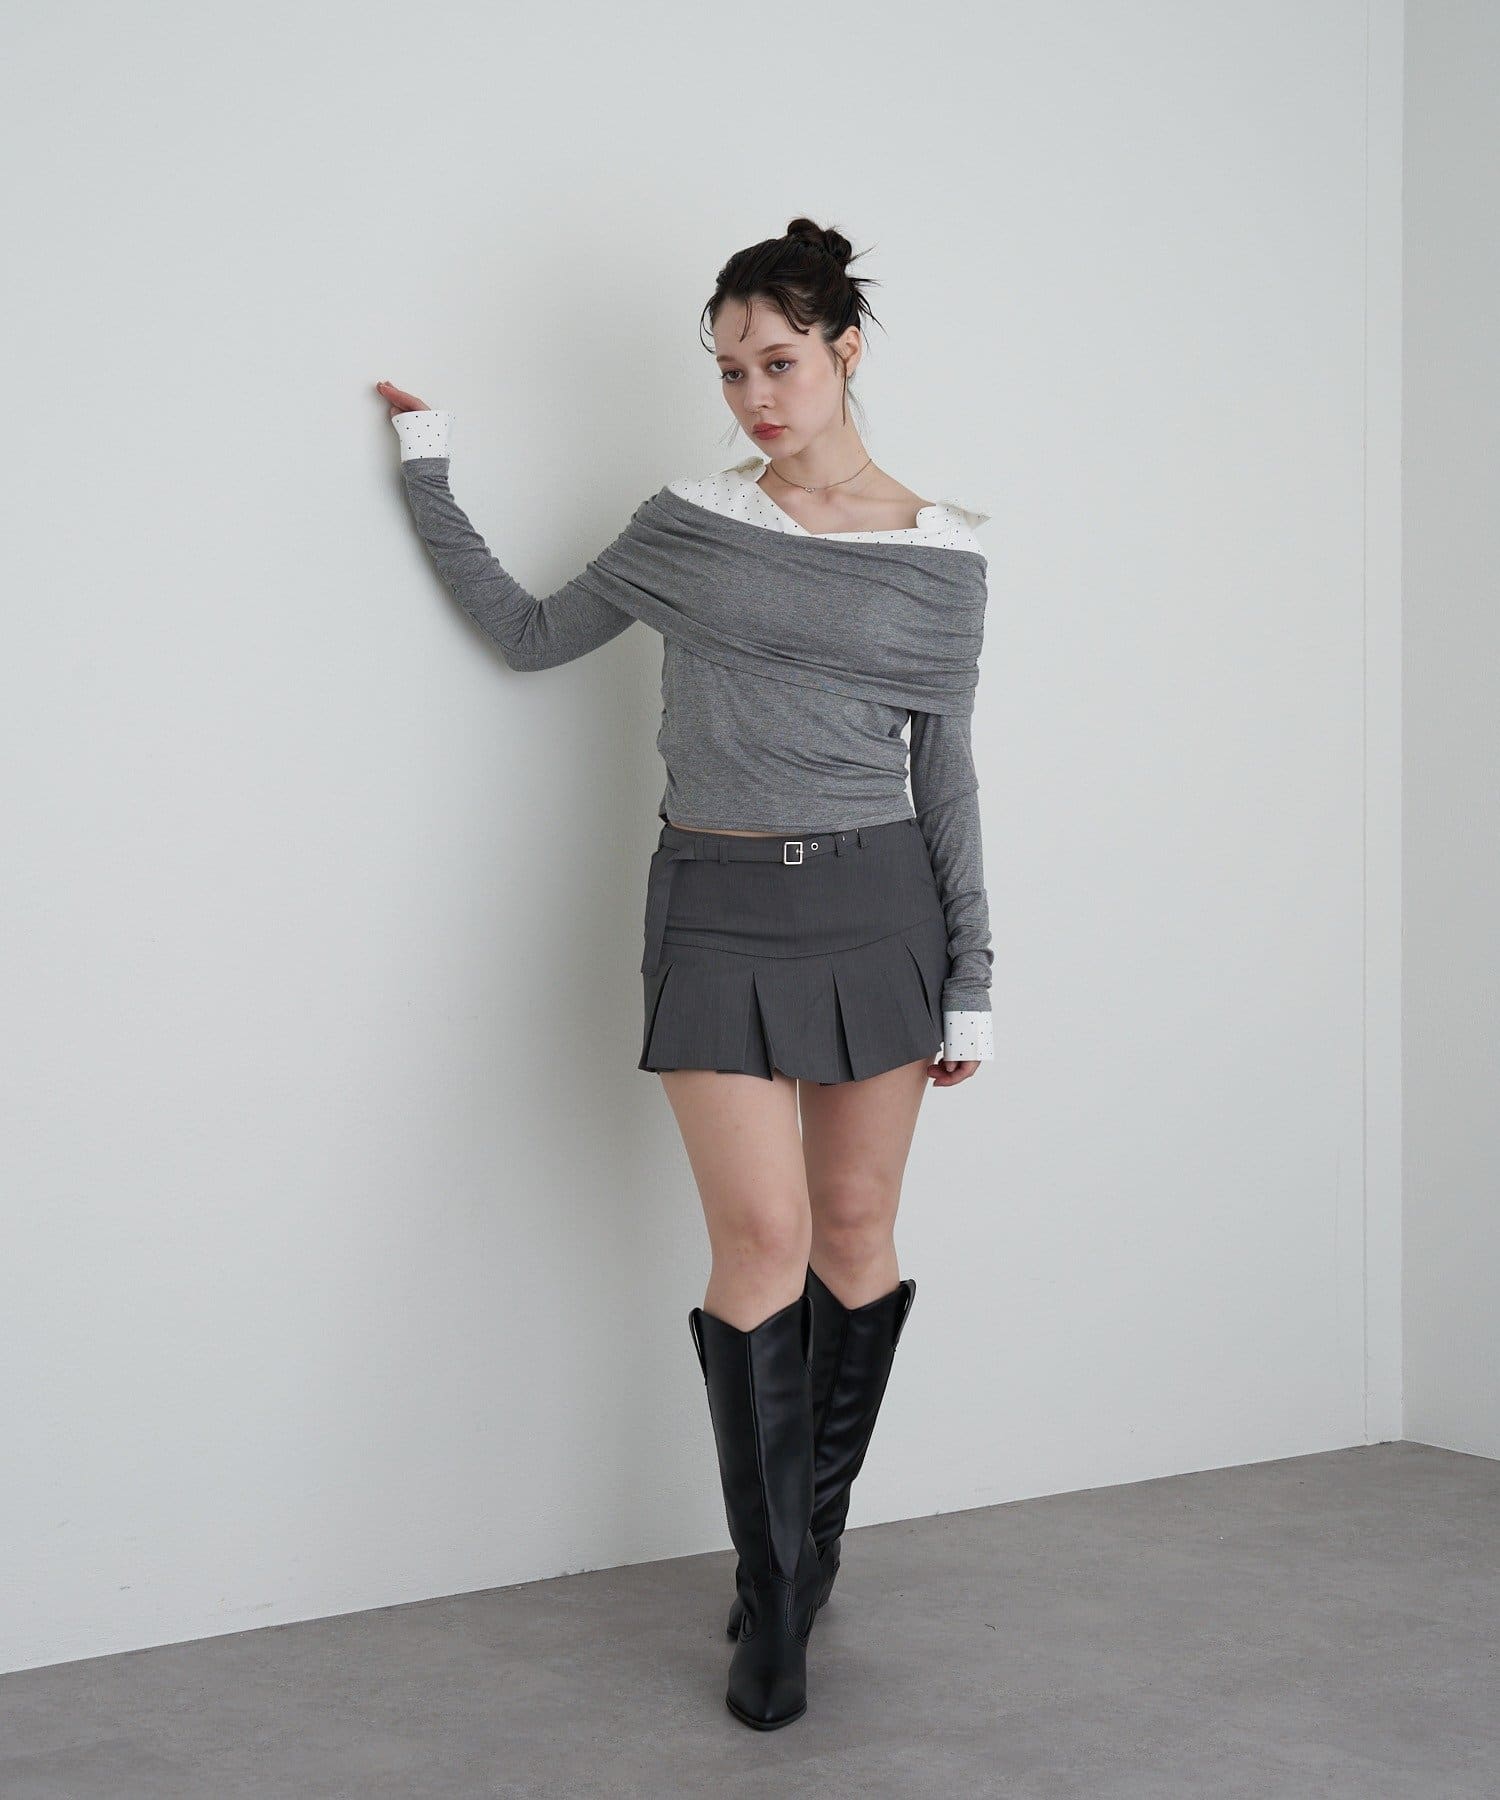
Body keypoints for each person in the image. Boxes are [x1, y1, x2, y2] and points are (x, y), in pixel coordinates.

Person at [375, 216, 995, 1732]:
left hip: (882, 912)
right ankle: (772, 1603)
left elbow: (945, 774)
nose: (755, 396)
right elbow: (530, 635)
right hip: (714, 906)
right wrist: (428, 472)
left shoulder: (942, 552)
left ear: (845, 350)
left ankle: (806, 1552)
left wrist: (972, 973)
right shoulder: (691, 523)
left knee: (858, 1230)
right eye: (730, 372)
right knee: (763, 1238)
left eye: (779, 361)